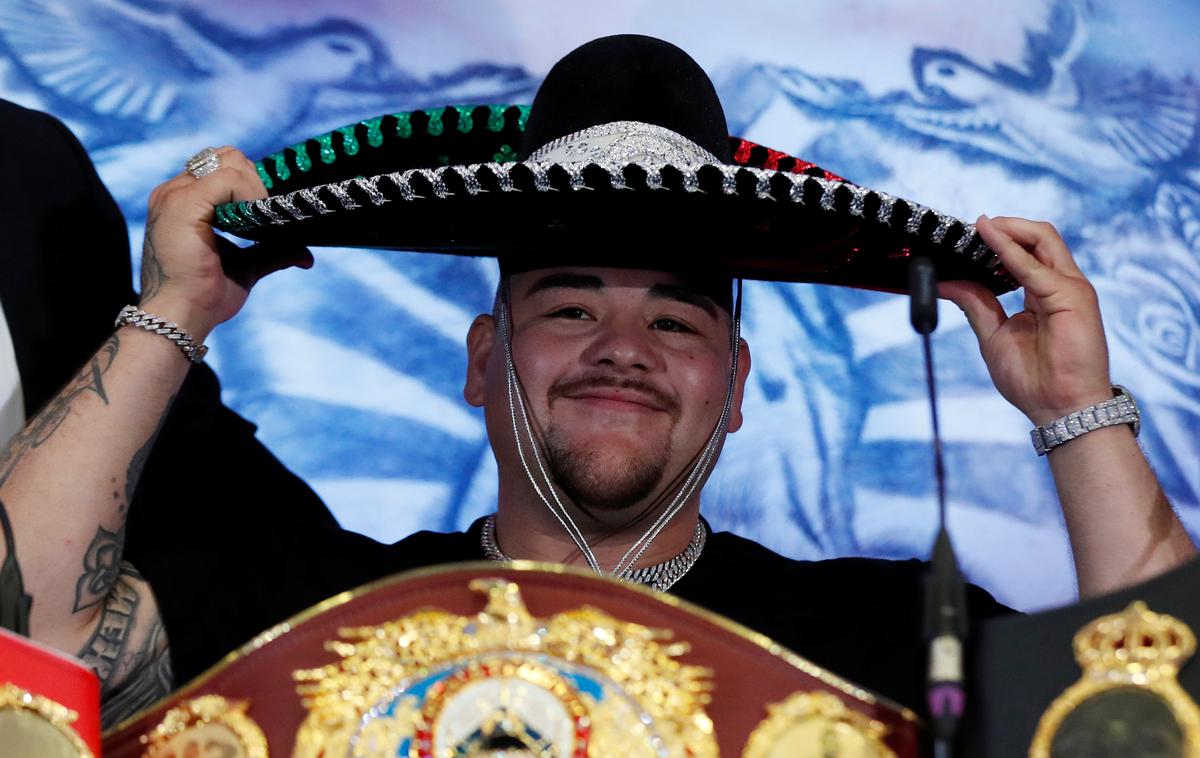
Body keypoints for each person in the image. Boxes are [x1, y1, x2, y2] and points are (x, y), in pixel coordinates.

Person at [0, 35, 1193, 729]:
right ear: (482, 361)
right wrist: (173, 309)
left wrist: (1074, 410)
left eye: (676, 316)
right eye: (569, 305)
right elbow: (30, 643)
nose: (621, 346)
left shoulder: (890, 633)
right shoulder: (304, 603)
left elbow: (1158, 720)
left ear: (735, 384)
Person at [0, 97, 339, 724]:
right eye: (567, 312)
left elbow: (188, 445)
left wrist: (182, 302)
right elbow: (23, 641)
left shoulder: (24, 157)